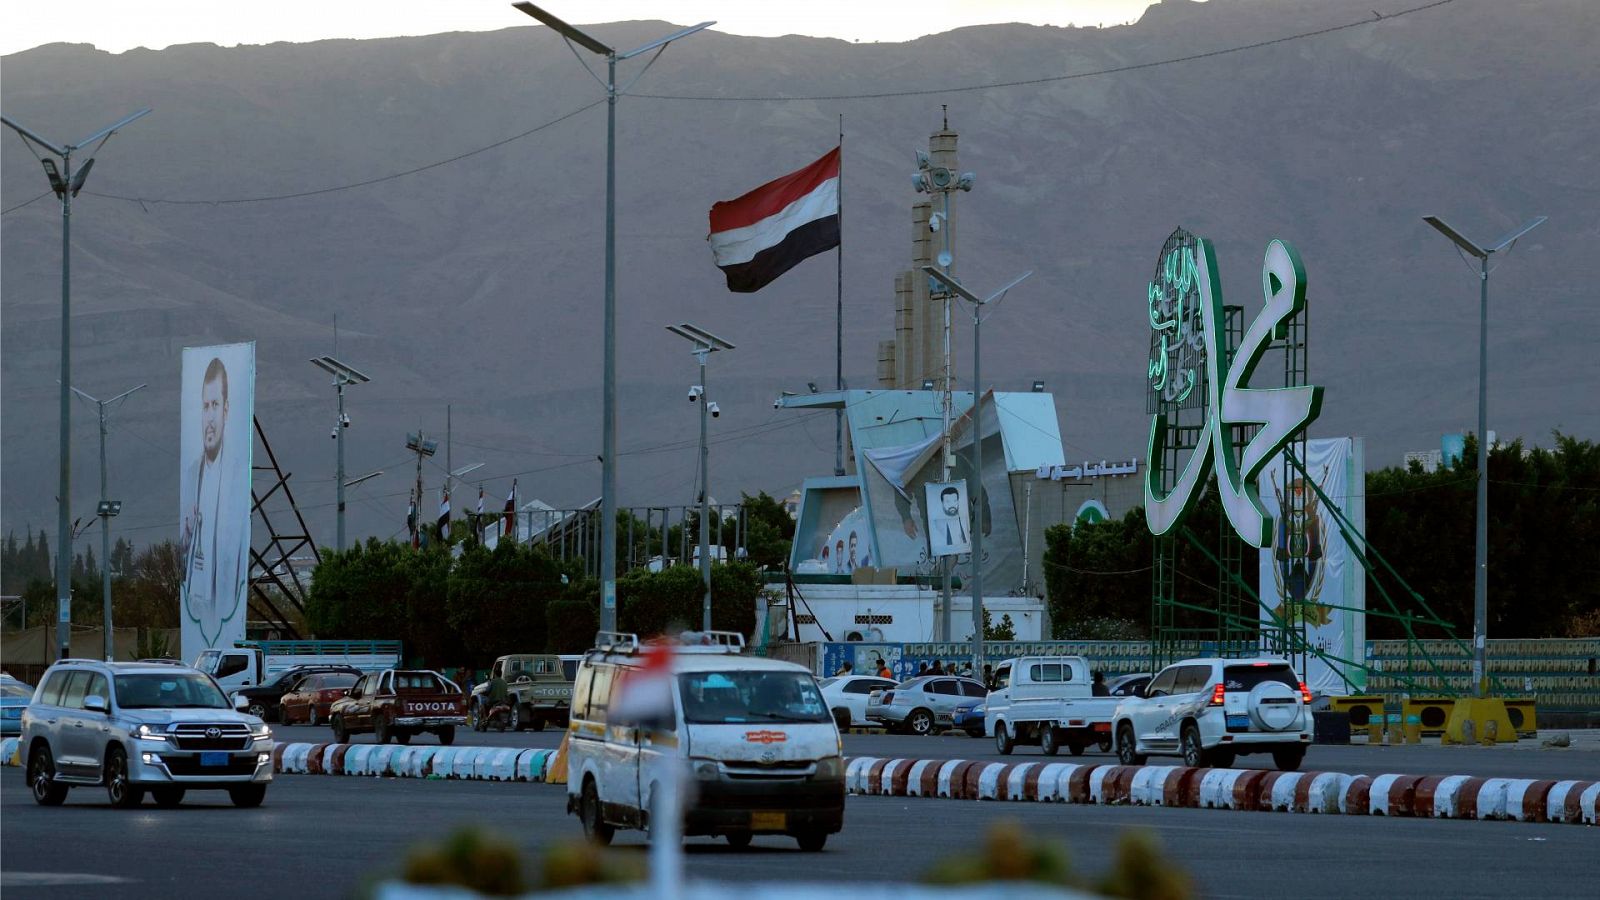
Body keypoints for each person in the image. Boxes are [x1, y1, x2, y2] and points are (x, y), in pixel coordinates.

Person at [180, 355, 250, 653]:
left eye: (215, 406)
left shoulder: (237, 476)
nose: (209, 417)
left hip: (223, 605)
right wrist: (185, 536)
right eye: (205, 407)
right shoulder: (191, 474)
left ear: (227, 410)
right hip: (196, 605)